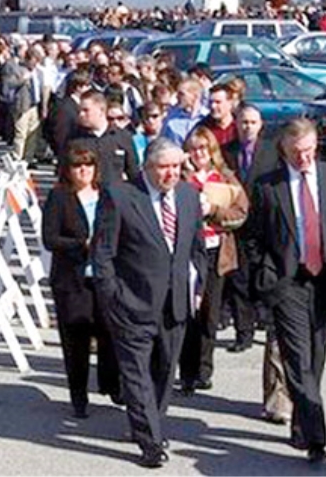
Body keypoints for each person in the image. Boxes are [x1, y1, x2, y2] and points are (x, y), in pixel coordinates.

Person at [92, 137, 207, 468]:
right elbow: (103, 253)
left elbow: (196, 246)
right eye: (163, 167)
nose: (171, 173)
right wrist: (111, 296)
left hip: (177, 302)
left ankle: (148, 422)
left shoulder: (187, 195)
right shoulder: (121, 196)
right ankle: (150, 442)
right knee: (136, 374)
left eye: (175, 166)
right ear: (147, 166)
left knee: (164, 369)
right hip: (132, 302)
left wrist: (197, 285)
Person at [249, 118, 326, 465]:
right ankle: (317, 439)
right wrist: (264, 271)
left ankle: (302, 428)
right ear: (284, 152)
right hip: (287, 282)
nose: (304, 159)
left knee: (314, 358)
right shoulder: (268, 186)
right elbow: (253, 236)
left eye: (309, 151)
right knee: (298, 360)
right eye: (296, 153)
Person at [42, 148, 122, 419]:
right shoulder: (59, 197)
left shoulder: (106, 196)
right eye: (77, 166)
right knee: (76, 340)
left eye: (88, 166)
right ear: (68, 170)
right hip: (72, 280)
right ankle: (78, 396)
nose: (83, 171)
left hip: (102, 278)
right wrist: (81, 245)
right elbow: (50, 239)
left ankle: (110, 383)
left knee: (109, 333)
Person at [179, 127, 248, 396]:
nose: (199, 155)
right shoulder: (181, 177)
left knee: (210, 313)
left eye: (203, 149)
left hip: (215, 251)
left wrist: (214, 210)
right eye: (194, 149)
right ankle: (186, 372)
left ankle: (204, 370)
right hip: (187, 252)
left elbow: (241, 212)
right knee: (187, 311)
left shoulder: (225, 177)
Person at [221, 104, 279, 354]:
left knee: (265, 275)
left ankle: (268, 322)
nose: (248, 127)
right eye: (244, 122)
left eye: (253, 122)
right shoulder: (227, 152)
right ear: (236, 123)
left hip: (264, 223)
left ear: (261, 124)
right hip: (237, 226)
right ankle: (243, 332)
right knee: (239, 280)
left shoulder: (271, 151)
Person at [68, 90, 138, 187]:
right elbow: (66, 175)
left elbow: (133, 174)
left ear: (101, 110)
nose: (81, 114)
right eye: (80, 110)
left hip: (115, 198)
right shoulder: (75, 140)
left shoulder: (123, 138)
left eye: (86, 110)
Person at [161, 77, 208, 147]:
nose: (177, 97)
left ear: (195, 96)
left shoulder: (206, 117)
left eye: (182, 94)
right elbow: (162, 141)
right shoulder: (171, 117)